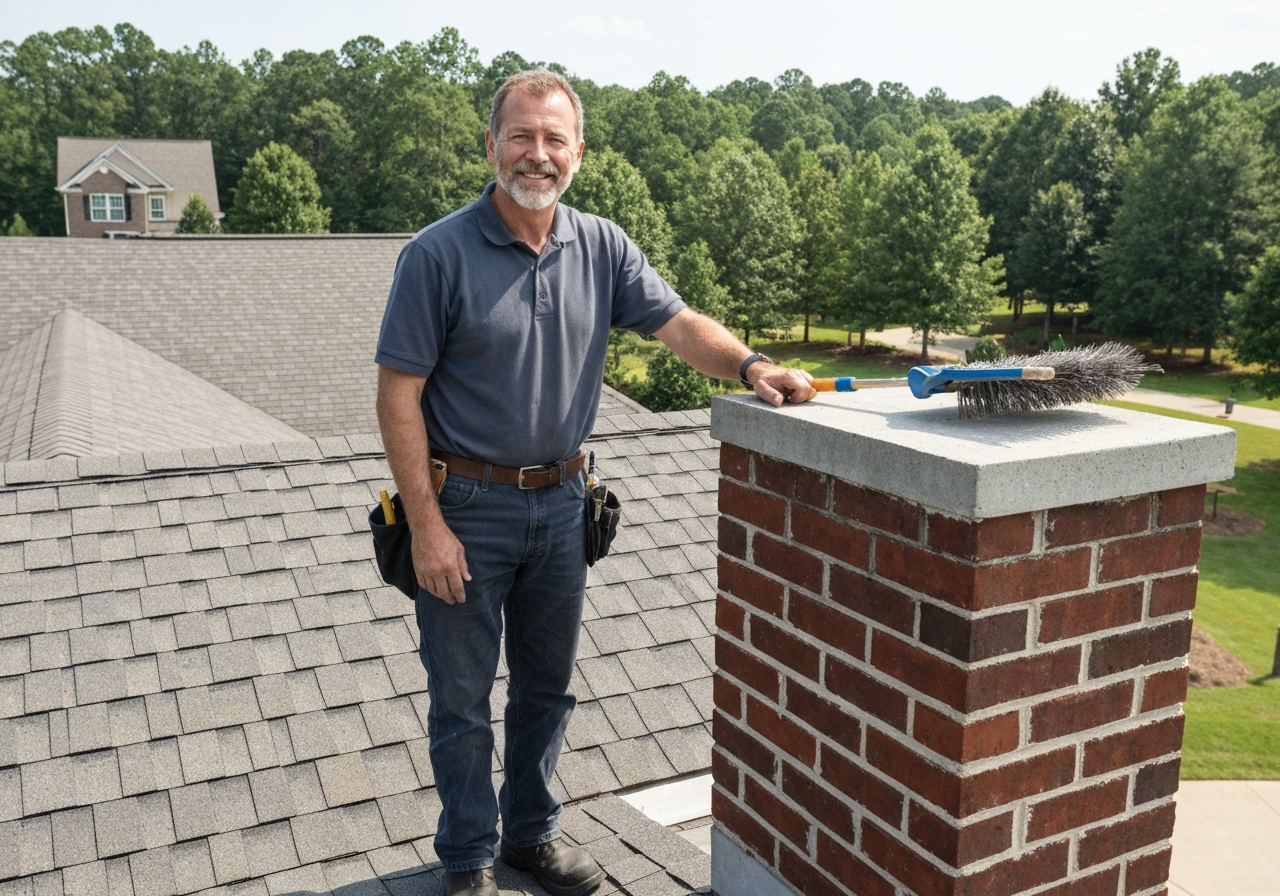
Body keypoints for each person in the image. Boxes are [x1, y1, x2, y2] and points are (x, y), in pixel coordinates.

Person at [375, 69, 816, 896]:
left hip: (564, 502)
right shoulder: (437, 254)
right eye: (521, 136)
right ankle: (468, 859)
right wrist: (427, 525)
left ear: (577, 151)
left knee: (547, 688)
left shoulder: (600, 245)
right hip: (465, 507)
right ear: (491, 145)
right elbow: (397, 393)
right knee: (462, 700)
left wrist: (753, 364)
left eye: (554, 140)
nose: (536, 155)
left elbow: (678, 323)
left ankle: (530, 837)